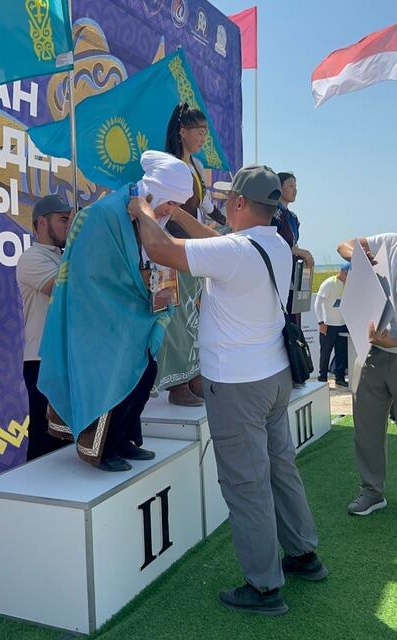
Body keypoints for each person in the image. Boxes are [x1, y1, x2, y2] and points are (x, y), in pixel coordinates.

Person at [128, 165, 327, 615]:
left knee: (245, 484)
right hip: (274, 378)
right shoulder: (275, 244)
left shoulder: (234, 251)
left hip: (238, 386)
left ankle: (263, 587)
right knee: (281, 468)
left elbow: (161, 249)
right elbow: (216, 243)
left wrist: (144, 210)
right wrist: (179, 213)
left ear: (238, 203)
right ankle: (304, 555)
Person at [37, 151, 194, 471]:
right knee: (109, 376)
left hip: (136, 316)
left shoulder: (151, 219)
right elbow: (90, 271)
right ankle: (99, 448)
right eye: (170, 202)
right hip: (99, 316)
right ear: (155, 192)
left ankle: (123, 440)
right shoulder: (102, 214)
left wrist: (153, 283)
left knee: (143, 374)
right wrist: (138, 279)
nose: (171, 210)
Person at [156, 103, 225, 407]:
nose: (203, 138)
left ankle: (194, 375)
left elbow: (207, 205)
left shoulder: (195, 165)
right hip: (170, 247)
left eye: (206, 133)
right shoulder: (168, 165)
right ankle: (177, 383)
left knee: (193, 316)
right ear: (182, 132)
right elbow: (162, 207)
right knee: (175, 317)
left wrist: (227, 222)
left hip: (194, 248)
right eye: (199, 132)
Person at [338, 233, 397, 515]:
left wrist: (393, 342)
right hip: (371, 353)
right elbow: (344, 245)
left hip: (390, 346)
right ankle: (372, 492)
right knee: (367, 430)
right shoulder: (389, 241)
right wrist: (358, 258)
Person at [16, 195, 72, 461]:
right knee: (45, 439)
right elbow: (64, 292)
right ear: (41, 222)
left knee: (67, 441)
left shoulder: (62, 256)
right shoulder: (31, 258)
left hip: (66, 358)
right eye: (63, 220)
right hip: (41, 360)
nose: (69, 226)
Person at [272, 172, 314, 325]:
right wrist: (298, 251)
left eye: (296, 186)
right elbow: (272, 246)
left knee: (294, 321)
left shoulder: (293, 218)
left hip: (293, 275)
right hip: (278, 276)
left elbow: (294, 245)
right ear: (279, 187)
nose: (295, 190)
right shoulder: (273, 213)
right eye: (290, 185)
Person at [315, 264, 349, 387]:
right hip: (328, 325)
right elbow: (317, 303)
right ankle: (322, 378)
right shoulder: (328, 283)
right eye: (350, 275)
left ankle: (339, 378)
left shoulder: (348, 285)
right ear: (344, 272)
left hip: (342, 325)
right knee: (325, 353)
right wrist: (321, 322)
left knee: (342, 353)